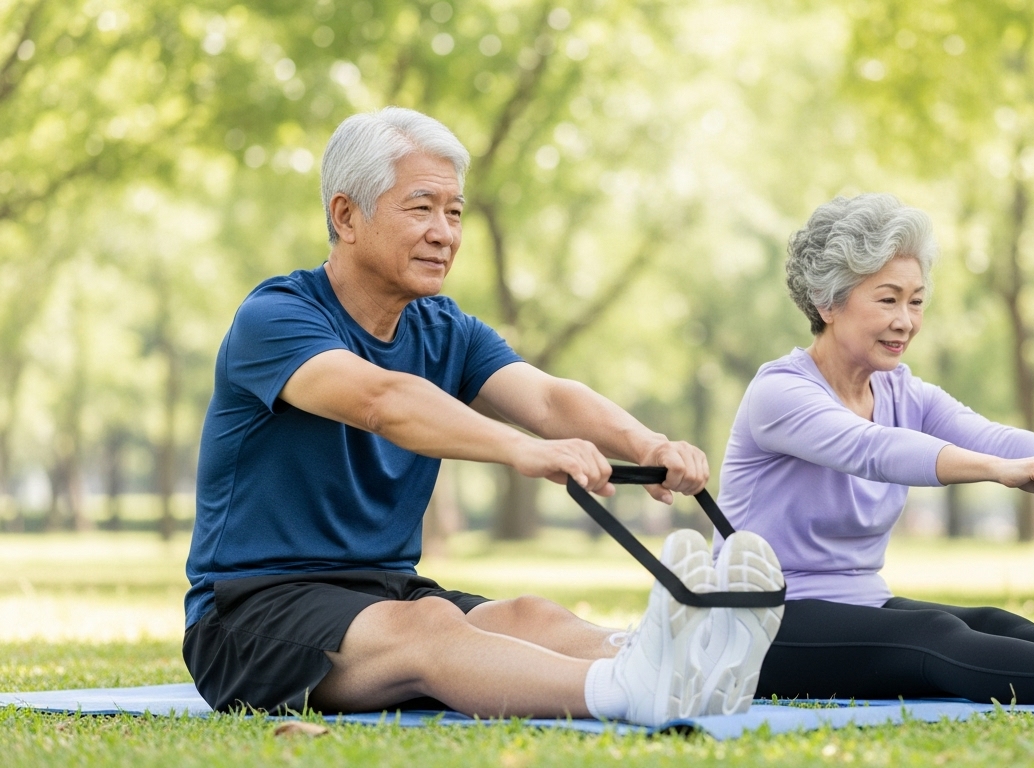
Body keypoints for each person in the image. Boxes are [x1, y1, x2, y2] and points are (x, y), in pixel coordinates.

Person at [182, 107, 785, 726]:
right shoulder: (276, 318)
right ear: (346, 216)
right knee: (428, 627)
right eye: (421, 207)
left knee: (530, 615)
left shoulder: (445, 330)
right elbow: (381, 401)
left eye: (455, 211)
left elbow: (549, 400)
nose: (445, 232)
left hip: (384, 591)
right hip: (247, 616)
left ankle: (676, 657)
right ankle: (627, 688)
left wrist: (647, 443)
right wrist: (520, 450)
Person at [715, 193, 1034, 704]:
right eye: (888, 299)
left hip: (860, 604)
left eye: (916, 301)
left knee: (993, 623)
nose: (906, 320)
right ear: (827, 303)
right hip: (756, 622)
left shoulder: (901, 390)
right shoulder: (779, 393)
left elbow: (990, 434)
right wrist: (1000, 472)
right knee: (931, 634)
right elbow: (874, 449)